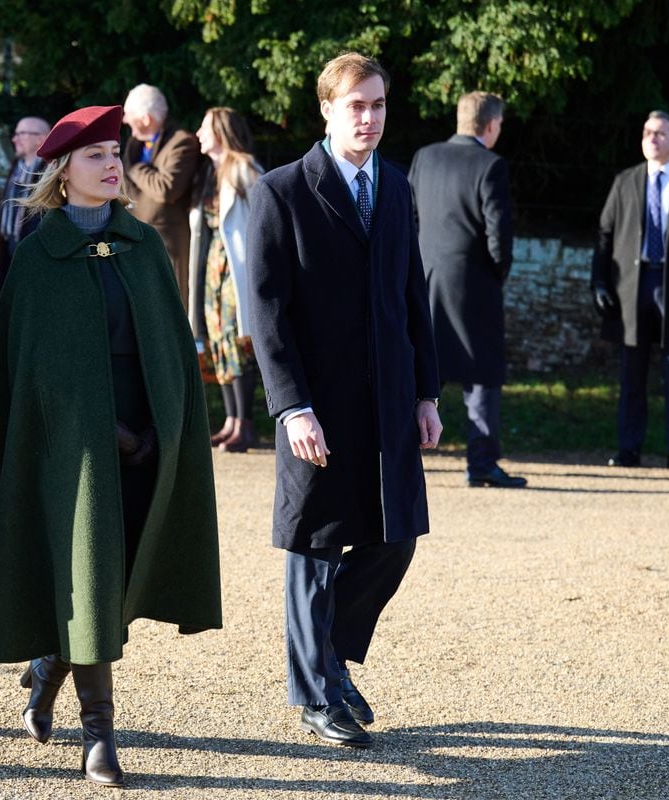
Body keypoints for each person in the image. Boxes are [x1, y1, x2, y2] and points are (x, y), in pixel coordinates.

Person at [0, 105, 222, 788]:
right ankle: (99, 735)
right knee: (89, 575)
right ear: (63, 171)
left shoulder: (139, 245)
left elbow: (169, 348)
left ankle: (47, 670)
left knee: (114, 576)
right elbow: (34, 374)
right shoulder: (40, 258)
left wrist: (166, 424)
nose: (111, 164)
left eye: (115, 152)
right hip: (72, 453)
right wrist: (100, 431)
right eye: (96, 155)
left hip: (147, 440)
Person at [246, 52, 442, 749]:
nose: (369, 117)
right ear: (326, 110)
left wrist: (426, 391)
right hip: (317, 409)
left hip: (389, 403)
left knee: (396, 538)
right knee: (315, 546)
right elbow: (264, 311)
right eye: (356, 105)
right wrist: (291, 407)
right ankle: (316, 694)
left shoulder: (395, 187)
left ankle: (327, 653)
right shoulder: (280, 191)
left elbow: (411, 295)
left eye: (379, 105)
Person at [409, 91, 525, 488]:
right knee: (482, 374)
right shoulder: (491, 165)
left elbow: (409, 217)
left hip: (424, 277)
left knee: (423, 367)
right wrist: (496, 275)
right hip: (474, 282)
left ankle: (401, 454)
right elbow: (499, 234)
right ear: (490, 125)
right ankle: (481, 463)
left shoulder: (425, 157)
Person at [592, 111, 669, 471]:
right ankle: (629, 450)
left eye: (660, 133)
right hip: (632, 288)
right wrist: (598, 281)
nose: (651, 138)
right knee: (632, 375)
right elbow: (604, 236)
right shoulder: (625, 181)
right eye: (646, 132)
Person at [189, 107, 263, 453]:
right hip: (214, 266)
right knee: (219, 341)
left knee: (238, 343)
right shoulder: (210, 172)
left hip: (236, 268)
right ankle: (230, 422)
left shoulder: (245, 169)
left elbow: (261, 225)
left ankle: (245, 425)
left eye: (204, 128)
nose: (198, 134)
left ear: (220, 131)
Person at [122, 84, 201, 309]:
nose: (125, 121)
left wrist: (136, 168)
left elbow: (166, 188)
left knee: (170, 308)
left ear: (146, 119)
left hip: (168, 243)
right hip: (135, 237)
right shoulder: (134, 144)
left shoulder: (181, 142)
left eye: (129, 115)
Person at [0, 115, 50, 282]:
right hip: (12, 260)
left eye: (21, 134)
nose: (14, 139)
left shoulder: (51, 176)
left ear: (41, 139)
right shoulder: (16, 171)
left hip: (38, 265)